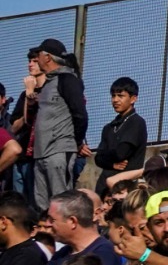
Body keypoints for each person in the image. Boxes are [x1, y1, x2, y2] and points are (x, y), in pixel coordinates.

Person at [28, 39, 86, 213]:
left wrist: (74, 142)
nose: (36, 60)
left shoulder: (68, 80)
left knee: (61, 203)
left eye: (38, 55)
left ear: (47, 57)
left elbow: (80, 114)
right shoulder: (48, 84)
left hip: (59, 151)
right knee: (42, 206)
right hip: (41, 153)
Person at [91, 77, 146, 192]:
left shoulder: (136, 122)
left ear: (133, 99)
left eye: (120, 96)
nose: (115, 100)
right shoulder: (109, 127)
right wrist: (112, 164)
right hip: (103, 188)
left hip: (125, 188)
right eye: (113, 96)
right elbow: (98, 158)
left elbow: (121, 153)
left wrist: (105, 156)